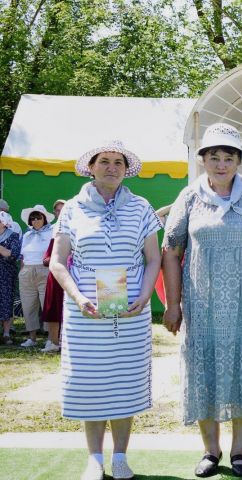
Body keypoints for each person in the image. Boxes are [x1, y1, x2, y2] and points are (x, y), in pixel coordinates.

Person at [162, 123, 242, 478]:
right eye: (214, 157)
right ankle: (210, 451)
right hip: (202, 305)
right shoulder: (189, 197)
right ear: (203, 159)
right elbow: (171, 250)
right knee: (203, 369)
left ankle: (239, 451)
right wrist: (172, 304)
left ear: (238, 161)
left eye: (229, 157)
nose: (221, 164)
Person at [49, 140, 161, 480]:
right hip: (86, 313)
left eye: (118, 162)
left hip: (130, 311)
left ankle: (121, 457)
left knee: (124, 382)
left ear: (126, 171)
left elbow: (153, 258)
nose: (112, 167)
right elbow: (57, 262)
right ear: (91, 167)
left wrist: (145, 297)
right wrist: (78, 297)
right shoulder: (71, 208)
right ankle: (95, 458)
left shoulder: (141, 207)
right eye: (105, 161)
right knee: (91, 384)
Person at [18, 204, 55, 347]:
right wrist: (22, 271)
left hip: (45, 270)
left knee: (47, 304)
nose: (35, 220)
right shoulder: (27, 234)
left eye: (38, 217)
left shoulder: (52, 232)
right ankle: (32, 338)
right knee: (28, 305)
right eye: (32, 218)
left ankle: (50, 338)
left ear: (44, 218)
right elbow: (22, 256)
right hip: (27, 270)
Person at [40, 199, 67, 353]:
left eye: (62, 209)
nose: (60, 212)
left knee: (65, 308)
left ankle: (64, 341)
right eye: (57, 210)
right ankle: (53, 341)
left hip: (69, 272)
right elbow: (50, 252)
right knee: (52, 307)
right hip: (54, 273)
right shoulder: (54, 228)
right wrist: (49, 259)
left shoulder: (74, 224)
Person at [0, 211, 21, 345]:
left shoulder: (13, 236)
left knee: (6, 301)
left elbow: (12, 255)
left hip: (6, 274)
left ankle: (6, 334)